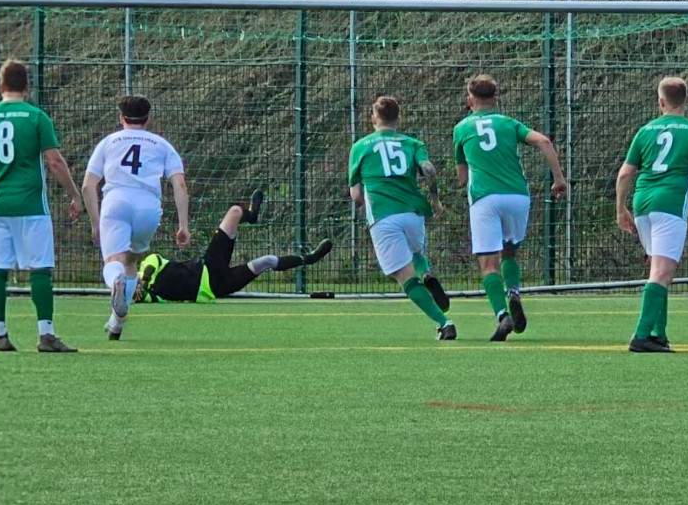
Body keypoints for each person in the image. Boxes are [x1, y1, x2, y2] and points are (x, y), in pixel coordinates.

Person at [0, 59, 83, 353]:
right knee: (40, 268)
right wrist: (74, 195)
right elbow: (55, 161)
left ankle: (0, 335)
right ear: (27, 86)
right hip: (31, 205)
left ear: (1, 85)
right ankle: (46, 335)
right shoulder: (35, 117)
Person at [616, 76, 688, 353]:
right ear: (686, 100)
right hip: (670, 205)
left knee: (658, 268)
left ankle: (658, 333)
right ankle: (641, 336)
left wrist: (620, 208)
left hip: (643, 203)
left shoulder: (645, 131)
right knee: (662, 271)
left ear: (660, 101)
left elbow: (625, 173)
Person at [453, 74, 568, 341]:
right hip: (517, 196)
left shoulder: (461, 128)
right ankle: (514, 290)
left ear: (470, 99)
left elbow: (462, 177)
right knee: (509, 253)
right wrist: (559, 178)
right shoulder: (508, 123)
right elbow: (544, 141)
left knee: (488, 265)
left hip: (484, 198)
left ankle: (502, 316)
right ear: (495, 99)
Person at [82, 95, 190, 341]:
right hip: (148, 208)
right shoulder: (161, 145)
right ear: (148, 118)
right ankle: (116, 323)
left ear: (121, 118)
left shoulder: (109, 142)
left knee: (113, 261)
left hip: (116, 203)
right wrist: (183, 226)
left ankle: (115, 282)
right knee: (130, 260)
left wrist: (96, 222)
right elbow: (180, 184)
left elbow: (88, 186)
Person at [350, 96, 456, 340]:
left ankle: (444, 323)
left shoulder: (361, 146)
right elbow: (428, 169)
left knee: (404, 276)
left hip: (384, 215)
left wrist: (364, 203)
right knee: (417, 252)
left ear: (373, 118)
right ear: (399, 119)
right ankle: (427, 273)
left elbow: (356, 194)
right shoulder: (412, 143)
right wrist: (435, 199)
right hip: (413, 212)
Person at [132, 190, 333, 308]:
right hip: (218, 287)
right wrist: (137, 295)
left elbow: (152, 264)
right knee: (267, 261)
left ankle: (251, 216)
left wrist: (143, 281)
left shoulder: (147, 267)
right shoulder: (150, 297)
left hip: (208, 268)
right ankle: (310, 258)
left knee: (235, 212)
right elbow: (146, 299)